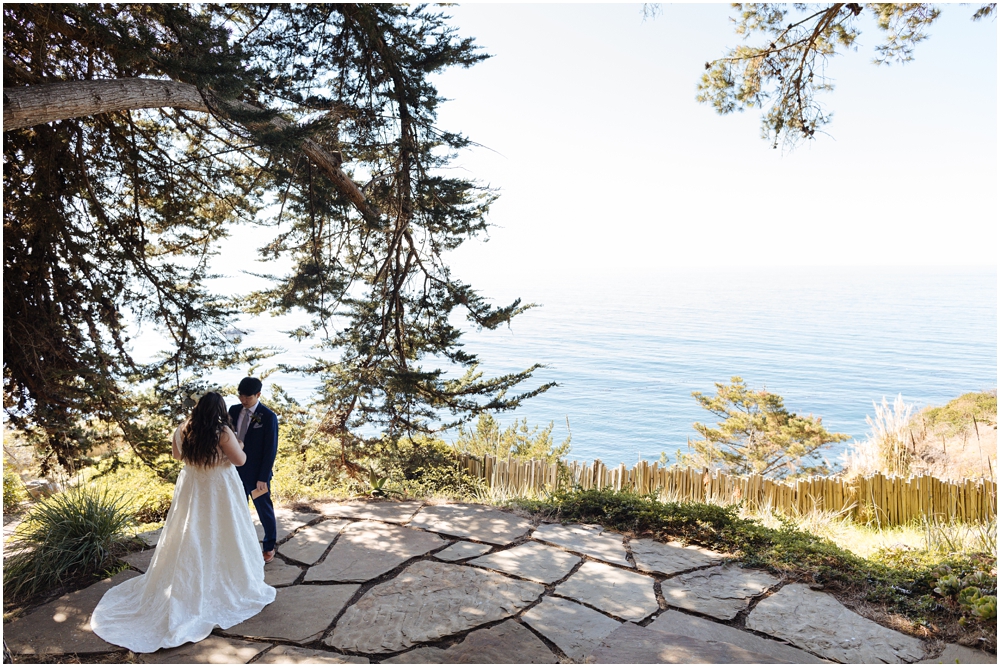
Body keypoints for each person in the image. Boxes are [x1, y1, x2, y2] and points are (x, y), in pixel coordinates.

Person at [90, 392, 275, 653]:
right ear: (220, 410)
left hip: (192, 487)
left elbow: (178, 457)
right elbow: (240, 460)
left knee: (191, 531)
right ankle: (224, 578)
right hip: (218, 489)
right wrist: (239, 446)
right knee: (223, 531)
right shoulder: (222, 431)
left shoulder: (183, 427)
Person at [228, 377, 279, 563]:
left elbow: (270, 450)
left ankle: (269, 546)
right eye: (241, 396)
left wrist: (263, 477)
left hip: (257, 474)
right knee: (237, 510)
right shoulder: (233, 411)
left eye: (248, 397)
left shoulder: (268, 416)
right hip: (234, 471)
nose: (243, 400)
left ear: (258, 395)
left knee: (264, 510)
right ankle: (241, 547)